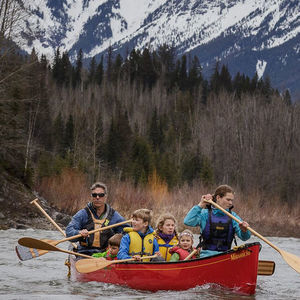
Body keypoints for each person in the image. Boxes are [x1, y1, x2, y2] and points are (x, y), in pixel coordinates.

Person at [184, 184, 251, 258]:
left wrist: (244, 231)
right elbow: (188, 221)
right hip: (206, 257)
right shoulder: (205, 214)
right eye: (228, 199)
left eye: (232, 200)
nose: (231, 203)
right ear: (218, 197)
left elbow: (245, 238)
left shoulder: (233, 217)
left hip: (226, 257)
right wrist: (201, 204)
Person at [66, 182, 127, 255]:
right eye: (94, 195)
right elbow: (69, 231)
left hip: (106, 254)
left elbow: (126, 233)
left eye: (101, 195)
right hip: (84, 253)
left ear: (105, 197)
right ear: (91, 197)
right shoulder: (82, 214)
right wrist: (79, 233)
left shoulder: (115, 216)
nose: (97, 197)